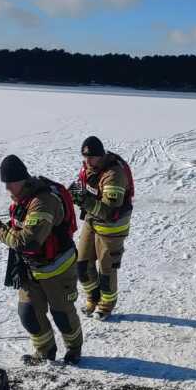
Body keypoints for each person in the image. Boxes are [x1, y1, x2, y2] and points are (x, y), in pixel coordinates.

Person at [0, 155, 83, 365]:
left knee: (63, 315)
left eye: (10, 183)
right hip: (30, 268)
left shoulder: (43, 202)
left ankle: (74, 348)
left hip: (57, 268)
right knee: (28, 313)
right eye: (5, 184)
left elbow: (27, 242)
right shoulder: (23, 199)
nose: (8, 189)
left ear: (22, 179)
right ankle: (45, 351)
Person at [69, 136, 134, 318]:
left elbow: (109, 210)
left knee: (107, 268)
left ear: (101, 155)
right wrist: (74, 193)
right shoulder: (89, 168)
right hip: (93, 219)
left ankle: (107, 304)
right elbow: (86, 189)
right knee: (82, 263)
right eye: (84, 157)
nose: (87, 161)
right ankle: (93, 297)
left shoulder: (114, 174)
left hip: (112, 225)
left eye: (91, 157)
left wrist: (83, 199)